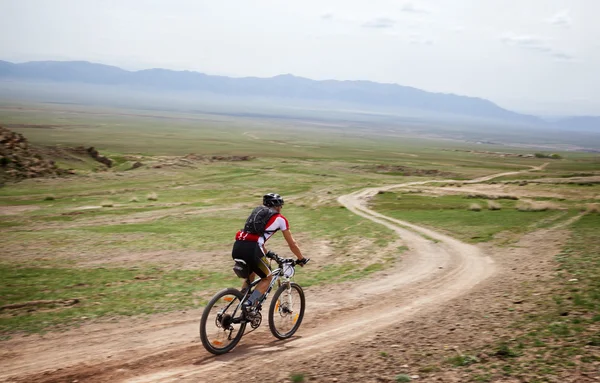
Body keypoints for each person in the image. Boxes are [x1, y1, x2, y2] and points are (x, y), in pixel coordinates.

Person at [232, 193, 307, 311]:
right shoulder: (281, 219)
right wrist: (301, 258)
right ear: (277, 206)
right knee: (267, 277)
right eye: (281, 206)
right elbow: (292, 244)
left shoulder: (257, 214)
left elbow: (253, 238)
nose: (281, 209)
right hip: (253, 249)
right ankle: (249, 304)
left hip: (237, 246)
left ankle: (242, 298)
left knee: (251, 274)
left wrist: (267, 253)